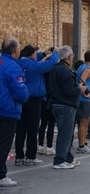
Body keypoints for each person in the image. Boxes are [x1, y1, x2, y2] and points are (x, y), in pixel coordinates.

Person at [14, 45, 58, 166]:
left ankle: (19, 156)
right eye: (35, 53)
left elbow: (36, 60)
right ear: (31, 55)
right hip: (34, 100)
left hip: (20, 99)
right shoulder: (34, 66)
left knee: (20, 129)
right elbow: (49, 64)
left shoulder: (19, 63)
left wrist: (43, 54)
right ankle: (31, 156)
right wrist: (55, 53)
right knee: (32, 129)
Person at [49, 45, 87, 169]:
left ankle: (68, 157)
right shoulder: (64, 71)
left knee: (66, 132)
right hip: (65, 105)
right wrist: (80, 89)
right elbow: (69, 89)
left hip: (56, 103)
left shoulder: (55, 68)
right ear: (69, 57)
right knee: (65, 134)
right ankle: (59, 160)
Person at [0, 37, 29, 186]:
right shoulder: (13, 67)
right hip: (7, 110)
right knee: (4, 144)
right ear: (15, 51)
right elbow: (21, 92)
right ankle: (1, 176)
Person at [76, 50, 90, 153]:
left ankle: (84, 143)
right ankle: (81, 145)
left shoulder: (81, 67)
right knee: (84, 122)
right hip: (85, 100)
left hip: (83, 99)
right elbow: (81, 82)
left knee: (84, 122)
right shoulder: (87, 69)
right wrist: (86, 93)